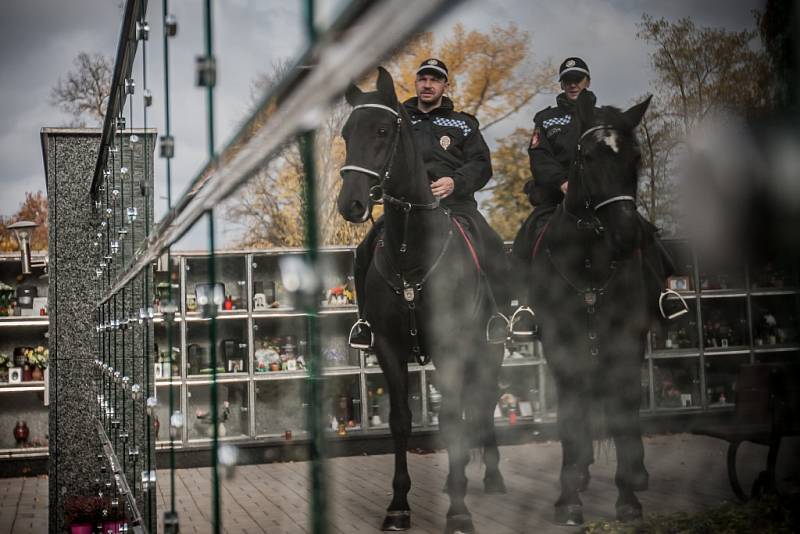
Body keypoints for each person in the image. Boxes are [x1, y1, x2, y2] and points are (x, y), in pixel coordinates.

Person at [349, 58, 509, 348]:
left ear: (445, 85)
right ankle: (365, 323)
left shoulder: (462, 123)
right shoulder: (398, 118)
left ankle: (499, 316)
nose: (427, 84)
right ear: (416, 83)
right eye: (423, 78)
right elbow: (379, 154)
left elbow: (481, 164)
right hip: (405, 211)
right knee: (362, 253)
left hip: (455, 207)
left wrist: (455, 182)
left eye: (435, 80)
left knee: (493, 245)